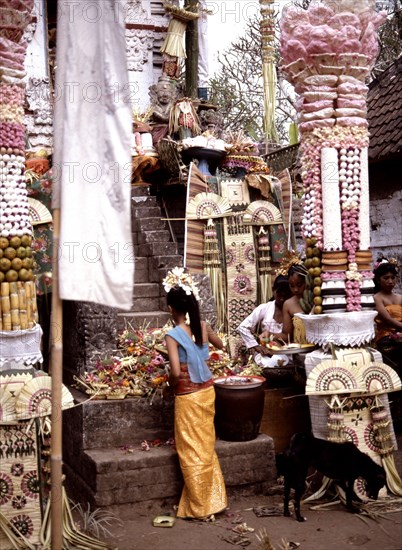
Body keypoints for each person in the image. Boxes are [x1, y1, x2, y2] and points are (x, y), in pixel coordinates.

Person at [162, 268, 227, 520]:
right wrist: (206, 336)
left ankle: (200, 506)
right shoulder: (202, 326)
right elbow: (221, 344)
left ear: (170, 309)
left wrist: (168, 387)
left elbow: (176, 373)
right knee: (205, 447)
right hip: (207, 392)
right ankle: (213, 500)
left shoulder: (172, 335)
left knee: (191, 450)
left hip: (188, 397)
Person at [238, 275, 292, 366]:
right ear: (273, 290)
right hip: (266, 355)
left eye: (285, 296)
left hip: (288, 356)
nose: (282, 299)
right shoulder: (265, 308)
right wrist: (256, 346)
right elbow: (242, 327)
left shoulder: (292, 310)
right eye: (279, 295)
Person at [261, 265, 309, 344]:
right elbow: (286, 336)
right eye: (292, 286)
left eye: (299, 285)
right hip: (299, 349)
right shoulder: (288, 305)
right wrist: (270, 334)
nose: (296, 290)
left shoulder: (317, 299)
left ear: (307, 281)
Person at [373, 260, 402, 367]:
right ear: (378, 280)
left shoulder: (400, 297)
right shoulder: (377, 298)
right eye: (386, 278)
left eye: (393, 278)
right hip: (386, 336)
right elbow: (388, 319)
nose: (390, 281)